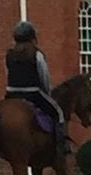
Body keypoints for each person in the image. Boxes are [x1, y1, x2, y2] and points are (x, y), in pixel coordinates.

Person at [5, 21, 71, 156]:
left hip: (11, 94)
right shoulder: (37, 54)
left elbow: (7, 72)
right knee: (58, 113)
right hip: (32, 93)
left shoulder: (9, 54)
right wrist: (47, 92)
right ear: (32, 37)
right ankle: (62, 147)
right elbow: (44, 76)